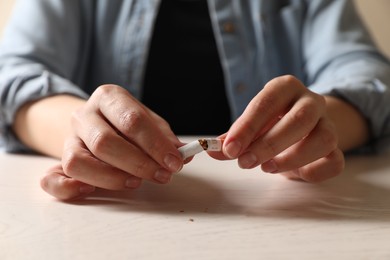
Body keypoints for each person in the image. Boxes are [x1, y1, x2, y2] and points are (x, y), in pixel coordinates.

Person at [1, 0, 390, 200]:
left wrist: (323, 123)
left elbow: (368, 75)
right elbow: (12, 72)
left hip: (278, 213)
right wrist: (82, 131)